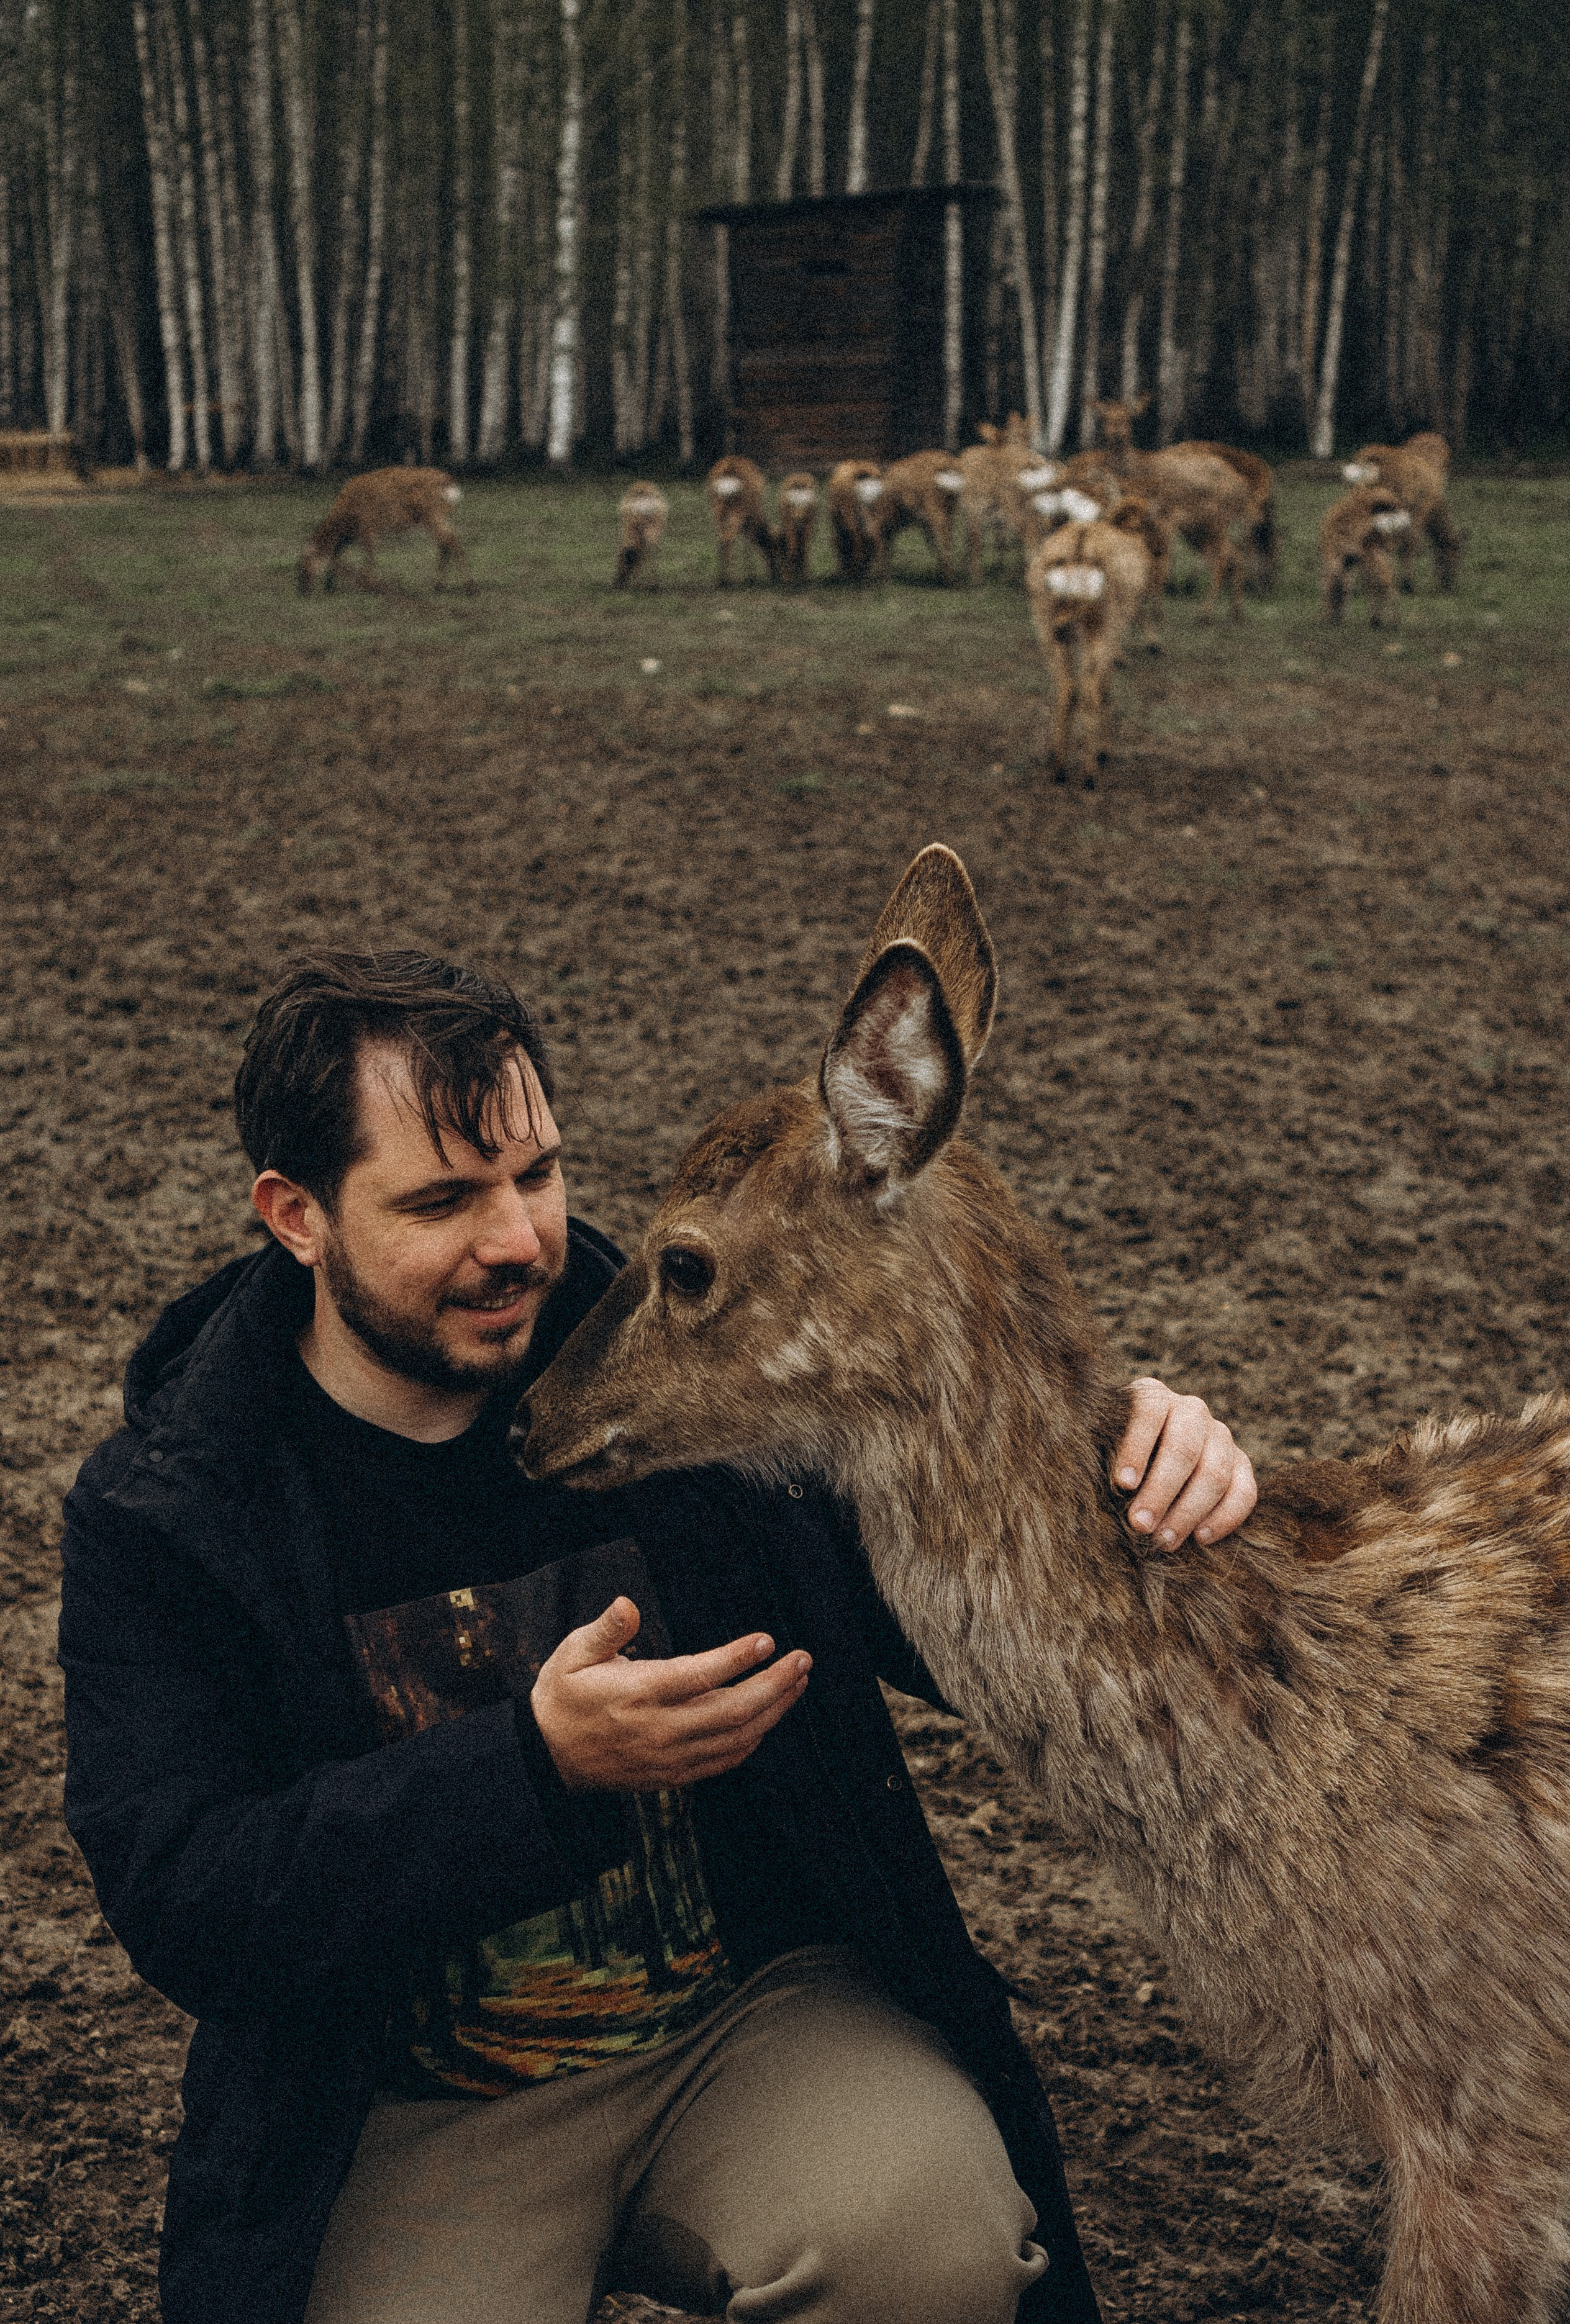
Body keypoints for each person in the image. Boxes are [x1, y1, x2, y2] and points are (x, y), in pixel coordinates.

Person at [60, 951, 1258, 2324]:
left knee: (938, 2255)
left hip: (743, 2028)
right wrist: (532, 1770)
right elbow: (186, 1896)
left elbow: (980, 1605)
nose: (517, 1239)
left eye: (537, 1175)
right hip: (415, 2101)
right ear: (297, 1216)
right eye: (442, 1200)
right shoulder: (174, 1513)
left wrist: (1138, 1470)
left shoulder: (704, 1376)